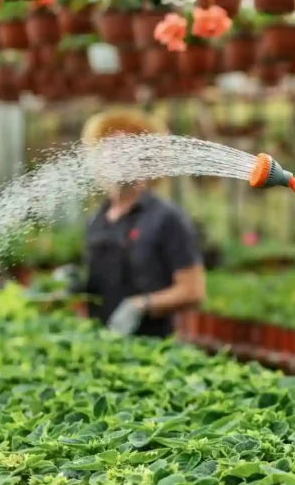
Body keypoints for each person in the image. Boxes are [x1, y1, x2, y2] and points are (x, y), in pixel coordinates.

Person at [59, 108, 205, 338]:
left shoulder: (166, 218)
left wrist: (142, 305)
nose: (117, 156)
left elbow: (193, 291)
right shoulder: (97, 220)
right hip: (102, 340)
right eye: (109, 149)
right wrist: (77, 283)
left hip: (151, 348)